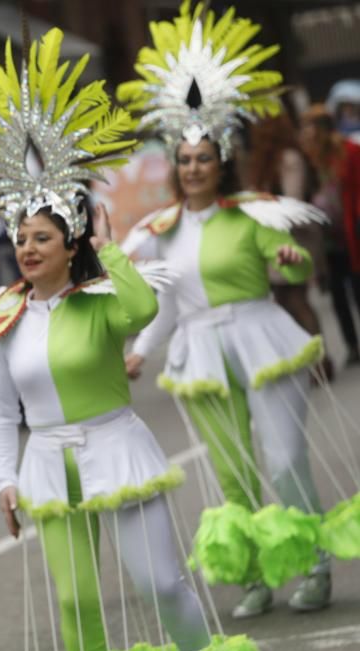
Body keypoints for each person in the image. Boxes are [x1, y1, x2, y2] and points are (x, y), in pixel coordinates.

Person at [0, 27, 239, 651]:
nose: (27, 248)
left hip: (116, 447)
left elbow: (144, 309)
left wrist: (107, 248)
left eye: (43, 238)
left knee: (160, 584)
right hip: (47, 462)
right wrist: (4, 478)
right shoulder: (3, 315)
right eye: (22, 238)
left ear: (70, 246)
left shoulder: (101, 296)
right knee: (75, 605)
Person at [119, 0, 333, 617]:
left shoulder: (254, 211)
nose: (192, 169)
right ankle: (253, 577)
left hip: (262, 336)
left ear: (222, 162)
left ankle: (313, 565)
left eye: (203, 159)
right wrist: (140, 353)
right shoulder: (159, 230)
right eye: (183, 160)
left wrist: (292, 260)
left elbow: (297, 263)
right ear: (174, 165)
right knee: (230, 469)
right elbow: (164, 304)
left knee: (285, 456)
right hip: (201, 349)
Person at [247, 114, 332, 377]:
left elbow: (291, 202)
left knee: (297, 299)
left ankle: (320, 360)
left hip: (295, 236)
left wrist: (261, 207)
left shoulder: (288, 159)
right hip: (275, 236)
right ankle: (307, 357)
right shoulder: (266, 161)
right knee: (285, 300)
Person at [300, 104, 360, 365]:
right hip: (327, 239)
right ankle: (352, 346)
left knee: (357, 289)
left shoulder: (349, 151)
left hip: (350, 230)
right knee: (337, 294)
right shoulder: (311, 160)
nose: (308, 134)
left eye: (312, 128)